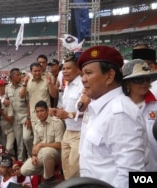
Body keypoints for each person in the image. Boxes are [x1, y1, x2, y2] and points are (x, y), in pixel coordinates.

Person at [77, 45, 148, 188]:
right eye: (82, 74)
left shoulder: (119, 113)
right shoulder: (100, 108)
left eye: (88, 73)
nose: (83, 80)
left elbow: (131, 174)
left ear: (109, 76)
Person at [50, 52, 83, 179]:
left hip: (79, 133)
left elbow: (87, 110)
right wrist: (57, 110)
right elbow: (67, 107)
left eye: (68, 68)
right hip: (68, 131)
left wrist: (68, 114)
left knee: (75, 169)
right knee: (66, 169)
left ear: (78, 70)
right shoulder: (67, 85)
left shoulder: (83, 86)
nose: (64, 71)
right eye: (63, 69)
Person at [122, 59, 157, 171]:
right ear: (127, 82)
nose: (145, 83)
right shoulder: (118, 107)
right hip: (126, 168)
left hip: (152, 167)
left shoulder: (155, 106)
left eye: (147, 79)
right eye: (139, 79)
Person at [21, 100, 65, 188]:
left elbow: (60, 145)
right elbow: (35, 144)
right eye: (37, 111)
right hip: (42, 155)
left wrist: (42, 145)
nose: (39, 114)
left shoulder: (57, 123)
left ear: (47, 111)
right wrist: (33, 156)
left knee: (46, 151)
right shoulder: (37, 125)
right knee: (24, 170)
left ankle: (48, 180)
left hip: (56, 154)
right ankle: (51, 171)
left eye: (42, 111)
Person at [5, 68, 33, 161]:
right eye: (17, 75)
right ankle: (21, 160)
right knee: (19, 142)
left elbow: (29, 102)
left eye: (20, 74)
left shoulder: (24, 86)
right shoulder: (7, 88)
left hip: (25, 116)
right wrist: (5, 101)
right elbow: (6, 100)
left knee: (27, 138)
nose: (20, 76)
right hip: (15, 119)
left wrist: (29, 117)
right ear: (12, 77)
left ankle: (30, 156)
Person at [19, 63, 58, 128]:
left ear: (41, 71)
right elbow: (21, 96)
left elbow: (54, 95)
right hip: (34, 116)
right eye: (35, 71)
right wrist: (24, 84)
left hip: (46, 115)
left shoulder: (47, 80)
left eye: (39, 70)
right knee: (36, 136)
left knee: (47, 136)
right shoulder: (27, 81)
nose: (37, 73)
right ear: (31, 71)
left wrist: (50, 83)